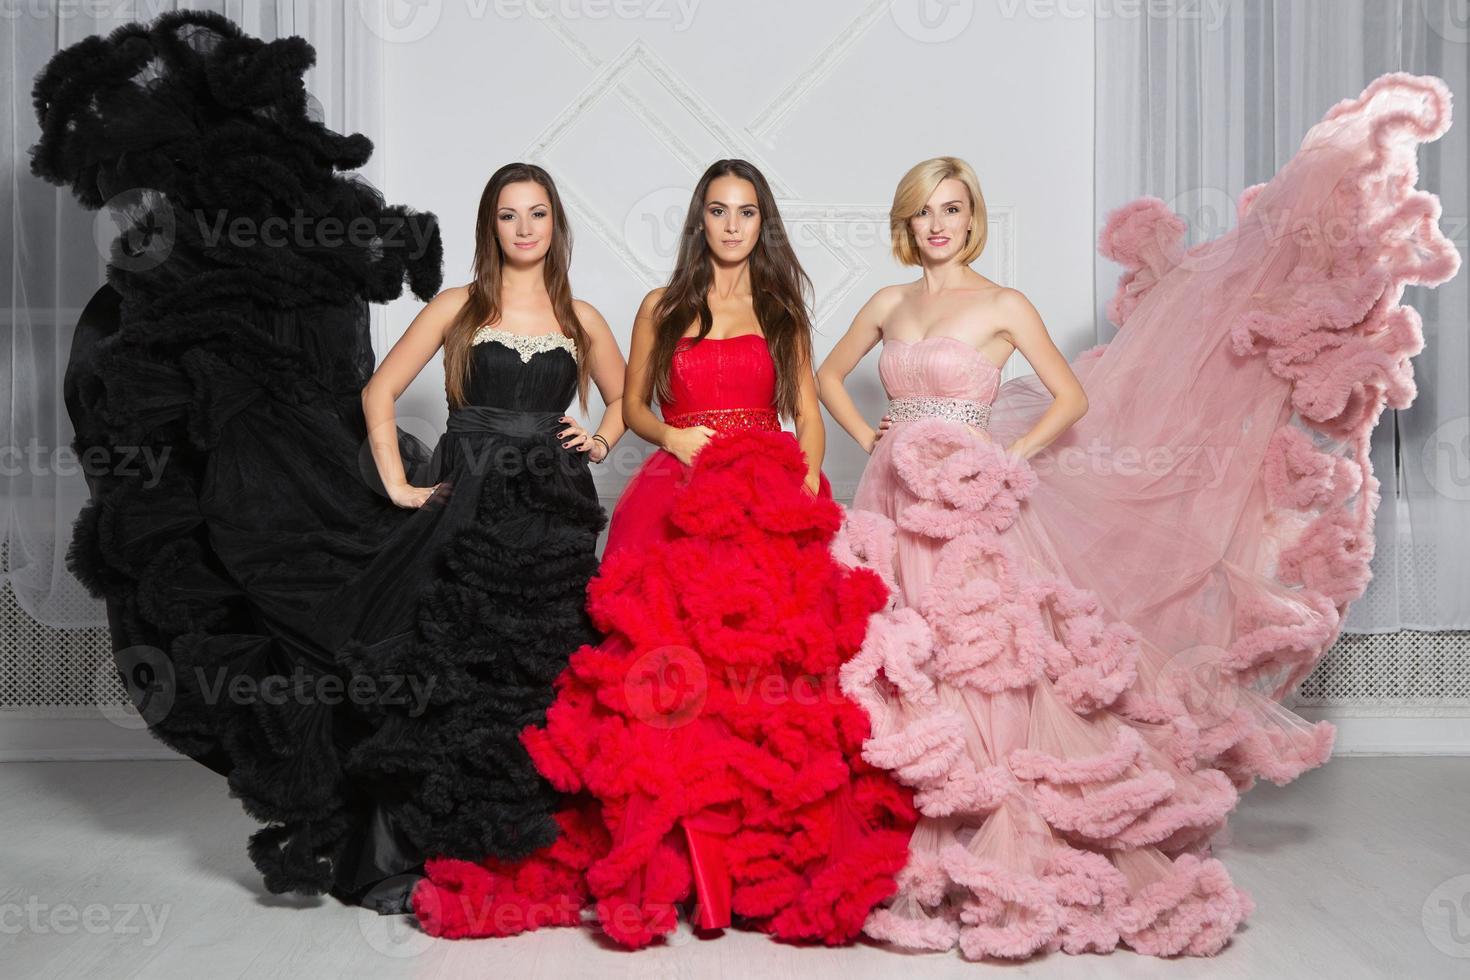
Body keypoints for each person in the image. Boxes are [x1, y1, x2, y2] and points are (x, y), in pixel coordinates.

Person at [815, 72, 1459, 960]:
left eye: (955, 209)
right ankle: (902, 800)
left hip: (972, 498)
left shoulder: (1003, 305)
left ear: (973, 220)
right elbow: (822, 379)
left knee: (984, 654)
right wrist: (875, 433)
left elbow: (1071, 398)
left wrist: (1002, 454)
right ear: (909, 220)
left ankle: (993, 813)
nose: (939, 225)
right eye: (927, 210)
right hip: (893, 491)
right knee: (904, 645)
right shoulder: (891, 303)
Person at [36, 11, 626, 915]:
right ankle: (400, 846)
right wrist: (395, 482)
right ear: (490, 223)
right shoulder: (462, 304)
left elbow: (626, 399)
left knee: (545, 668)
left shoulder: (583, 314)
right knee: (444, 665)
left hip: (552, 504)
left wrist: (608, 430)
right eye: (507, 213)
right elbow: (378, 394)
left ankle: (531, 842)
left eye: (536, 212)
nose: (523, 226)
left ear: (556, 222)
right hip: (469, 500)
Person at [413, 159, 915, 948]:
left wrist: (810, 478)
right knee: (662, 672)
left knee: (760, 683)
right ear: (700, 221)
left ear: (762, 224)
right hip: (677, 489)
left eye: (746, 212)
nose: (732, 225)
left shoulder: (782, 310)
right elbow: (634, 406)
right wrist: (672, 435)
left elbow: (806, 413)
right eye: (718, 211)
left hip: (761, 494)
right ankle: (677, 857)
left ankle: (746, 864)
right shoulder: (663, 305)